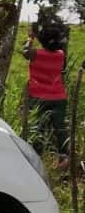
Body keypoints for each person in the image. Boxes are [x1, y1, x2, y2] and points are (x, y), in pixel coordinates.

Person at [22, 16, 69, 168]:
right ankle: (64, 158)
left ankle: (37, 160)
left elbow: (25, 51)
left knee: (38, 129)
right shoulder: (61, 55)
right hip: (59, 97)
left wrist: (30, 37)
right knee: (60, 128)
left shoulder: (36, 54)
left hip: (38, 97)